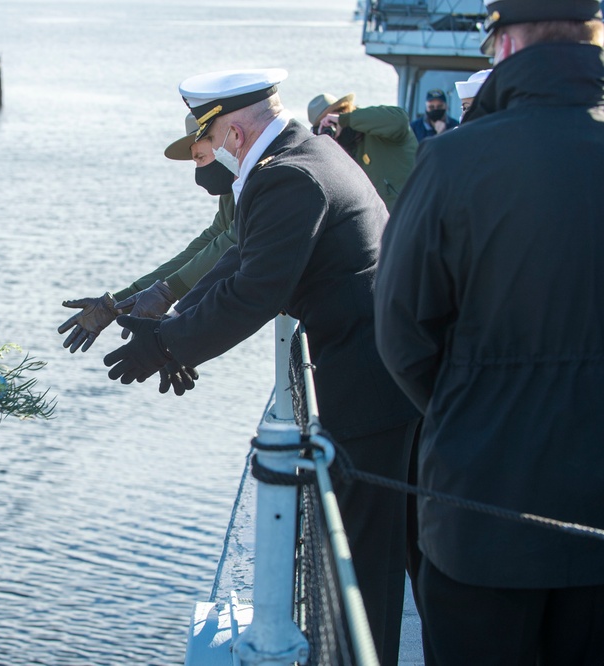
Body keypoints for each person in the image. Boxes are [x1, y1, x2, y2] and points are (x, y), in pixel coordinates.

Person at [103, 69, 420, 665]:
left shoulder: (288, 178)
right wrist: (169, 334)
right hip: (374, 369)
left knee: (363, 562)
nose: (210, 155)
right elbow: (241, 264)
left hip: (368, 381)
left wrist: (166, 346)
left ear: (237, 131)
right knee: (366, 550)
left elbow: (254, 294)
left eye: (211, 138)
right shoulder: (303, 155)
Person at [374, 1, 604, 663]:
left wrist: (467, 413)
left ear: (502, 46)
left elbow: (401, 333)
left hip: (481, 520)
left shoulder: (452, 163)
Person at [57, 114, 236, 376]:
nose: (198, 172)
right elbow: (213, 239)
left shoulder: (256, 179)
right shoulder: (233, 188)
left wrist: (174, 336)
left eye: (200, 158)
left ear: (224, 142)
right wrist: (119, 301)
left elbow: (231, 247)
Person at [307, 92, 417, 212]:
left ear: (345, 110)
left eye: (331, 120)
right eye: (324, 126)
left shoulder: (378, 126)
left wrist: (345, 120)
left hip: (413, 212)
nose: (333, 126)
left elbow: (400, 120)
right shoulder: (343, 153)